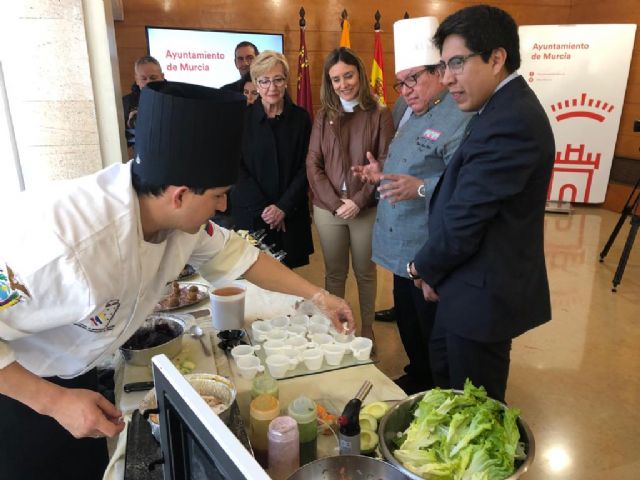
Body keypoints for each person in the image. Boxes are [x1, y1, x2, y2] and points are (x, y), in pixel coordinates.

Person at [0, 81, 354, 480]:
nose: (224, 206)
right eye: (219, 195)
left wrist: (318, 296)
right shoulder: (65, 245)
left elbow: (243, 258)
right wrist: (52, 402)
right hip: (17, 388)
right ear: (179, 195)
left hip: (73, 368)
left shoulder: (177, 221)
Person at [409, 5, 555, 402]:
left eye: (457, 63)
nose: (448, 79)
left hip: (483, 297)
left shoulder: (512, 121)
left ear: (497, 58)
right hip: (465, 283)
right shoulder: (498, 108)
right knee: (450, 391)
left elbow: (465, 219)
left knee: (476, 411)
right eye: (442, 66)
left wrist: (420, 267)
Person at [352, 17, 471, 394]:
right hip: (397, 242)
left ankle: (438, 388)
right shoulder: (405, 110)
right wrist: (381, 172)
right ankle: (418, 373)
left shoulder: (461, 114)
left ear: (439, 71)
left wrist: (420, 188)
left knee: (430, 322)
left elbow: (465, 184)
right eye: (400, 83)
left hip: (427, 243)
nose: (405, 91)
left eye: (413, 80)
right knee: (405, 315)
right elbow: (406, 160)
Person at [306, 47, 394, 342]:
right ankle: (337, 327)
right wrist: (335, 203)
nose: (343, 84)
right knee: (334, 273)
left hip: (365, 209)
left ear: (360, 75)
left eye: (348, 75)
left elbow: (384, 162)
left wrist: (357, 201)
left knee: (365, 272)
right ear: (328, 83)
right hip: (328, 208)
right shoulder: (323, 116)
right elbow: (313, 163)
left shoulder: (379, 113)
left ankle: (366, 328)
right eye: (335, 79)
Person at [231, 51, 314, 268]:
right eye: (264, 81)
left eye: (278, 79)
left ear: (286, 81)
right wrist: (267, 211)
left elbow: (308, 166)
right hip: (253, 214)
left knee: (289, 282)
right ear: (256, 84)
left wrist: (282, 207)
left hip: (290, 213)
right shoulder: (241, 118)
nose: (272, 87)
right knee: (253, 278)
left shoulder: (301, 118)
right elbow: (236, 168)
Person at [122, 55, 165, 149]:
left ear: (162, 77)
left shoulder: (174, 98)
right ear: (137, 80)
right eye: (144, 79)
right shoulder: (126, 103)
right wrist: (129, 125)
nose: (149, 82)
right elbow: (121, 142)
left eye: (153, 78)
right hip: (142, 156)